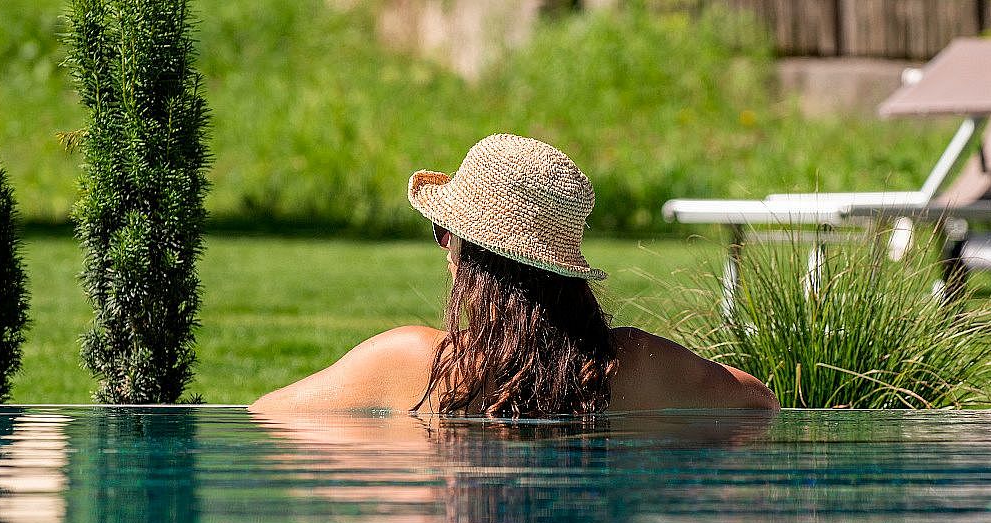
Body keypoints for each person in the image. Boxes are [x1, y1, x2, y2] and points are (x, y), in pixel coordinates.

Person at [251, 134, 777, 417]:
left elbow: (264, 418)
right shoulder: (641, 368)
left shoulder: (411, 364)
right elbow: (761, 406)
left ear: (469, 257)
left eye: (443, 231)